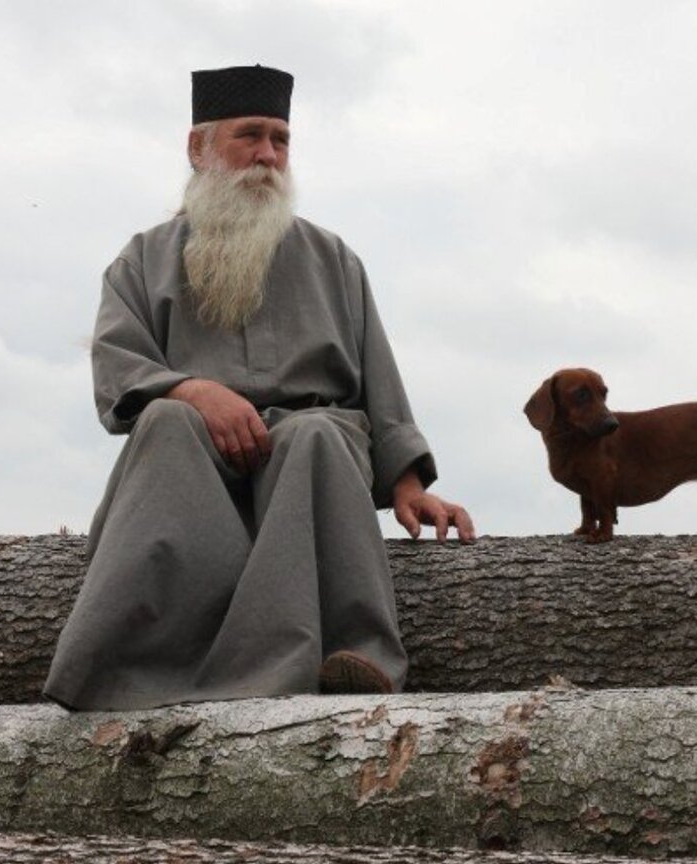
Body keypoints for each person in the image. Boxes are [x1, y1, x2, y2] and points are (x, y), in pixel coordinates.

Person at [44, 64, 474, 711]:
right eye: (250, 136)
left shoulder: (334, 258)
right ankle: (136, 667)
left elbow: (378, 380)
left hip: (311, 465)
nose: (268, 155)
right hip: (195, 471)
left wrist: (410, 484)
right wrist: (193, 391)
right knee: (167, 422)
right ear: (200, 147)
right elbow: (117, 366)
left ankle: (350, 658)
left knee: (314, 434)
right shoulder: (143, 258)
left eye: (281, 139)